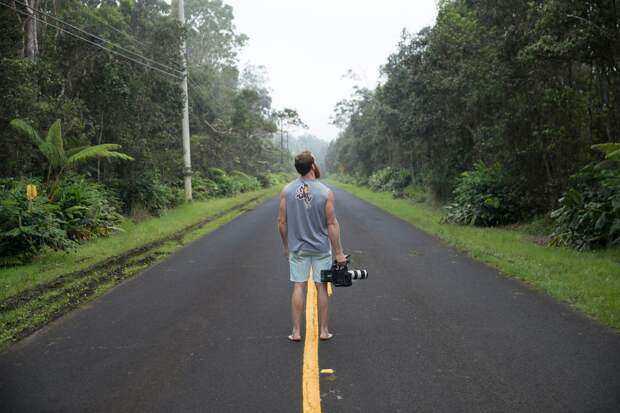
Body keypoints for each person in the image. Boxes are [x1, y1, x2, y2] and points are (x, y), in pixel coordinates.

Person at [278, 150, 347, 342]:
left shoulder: (287, 191)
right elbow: (331, 223)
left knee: (298, 286)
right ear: (312, 166)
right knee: (321, 287)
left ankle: (296, 332)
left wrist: (286, 245)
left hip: (298, 249)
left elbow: (282, 222)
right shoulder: (325, 192)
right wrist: (339, 253)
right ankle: (324, 331)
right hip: (321, 250)